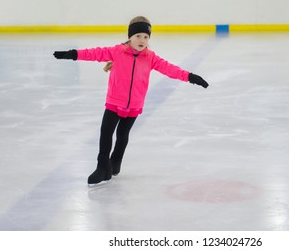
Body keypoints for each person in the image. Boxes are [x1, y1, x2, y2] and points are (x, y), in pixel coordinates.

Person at [53, 16, 209, 186]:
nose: (142, 40)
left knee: (122, 135)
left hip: (134, 104)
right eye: (138, 36)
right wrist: (73, 54)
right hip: (114, 101)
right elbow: (94, 53)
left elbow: (170, 69)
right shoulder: (117, 51)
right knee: (106, 133)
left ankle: (116, 163)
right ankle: (102, 166)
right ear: (130, 36)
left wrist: (190, 77)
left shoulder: (151, 57)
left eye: (146, 37)